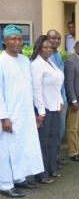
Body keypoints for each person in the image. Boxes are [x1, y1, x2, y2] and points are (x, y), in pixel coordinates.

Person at [0, 25, 43, 198]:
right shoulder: (1, 61)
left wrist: (34, 111)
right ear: (5, 41)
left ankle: (19, 177)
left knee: (22, 147)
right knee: (6, 150)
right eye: (13, 39)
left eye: (19, 38)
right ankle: (5, 184)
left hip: (25, 113)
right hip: (9, 115)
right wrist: (4, 117)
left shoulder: (25, 60)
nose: (17, 42)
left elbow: (29, 88)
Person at [31, 35, 64, 183]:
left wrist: (61, 101)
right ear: (39, 47)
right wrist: (41, 112)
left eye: (50, 47)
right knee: (42, 143)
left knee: (54, 140)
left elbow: (57, 84)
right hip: (43, 110)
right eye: (45, 47)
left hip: (55, 108)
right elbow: (36, 90)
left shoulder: (50, 62)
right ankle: (41, 174)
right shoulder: (36, 64)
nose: (49, 49)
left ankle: (52, 169)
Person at [47, 30, 68, 168]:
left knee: (60, 130)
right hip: (52, 101)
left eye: (58, 38)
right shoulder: (45, 56)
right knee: (52, 131)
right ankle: (51, 160)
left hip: (62, 98)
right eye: (53, 38)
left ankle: (56, 156)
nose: (56, 40)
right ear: (47, 39)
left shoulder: (58, 55)